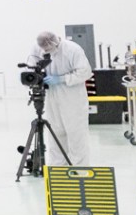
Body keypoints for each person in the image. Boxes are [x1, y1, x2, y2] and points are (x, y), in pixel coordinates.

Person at [31, 30, 93, 167]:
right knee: (56, 133)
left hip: (72, 97)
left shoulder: (72, 49)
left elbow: (85, 72)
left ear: (56, 43)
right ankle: (58, 168)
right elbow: (31, 63)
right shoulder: (38, 48)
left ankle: (80, 168)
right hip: (52, 96)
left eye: (49, 49)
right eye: (44, 50)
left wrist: (62, 79)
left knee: (76, 134)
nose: (46, 51)